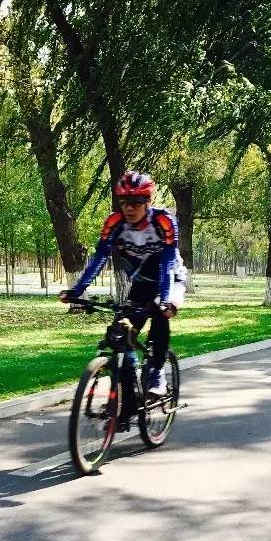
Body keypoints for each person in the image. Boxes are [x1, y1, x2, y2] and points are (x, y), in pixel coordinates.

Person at [60, 171, 186, 424]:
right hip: (140, 283)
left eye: (136, 202)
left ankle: (157, 372)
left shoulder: (163, 222)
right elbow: (99, 259)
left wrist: (164, 300)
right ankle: (127, 406)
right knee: (121, 334)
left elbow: (167, 262)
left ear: (148, 202)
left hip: (169, 278)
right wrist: (77, 290)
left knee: (160, 315)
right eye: (124, 202)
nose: (129, 208)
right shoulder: (114, 223)